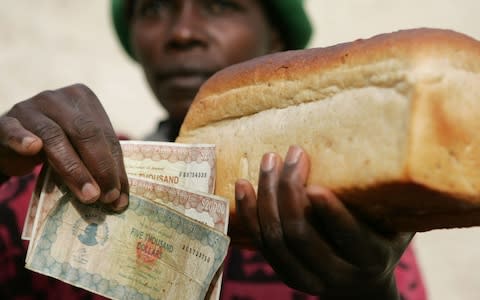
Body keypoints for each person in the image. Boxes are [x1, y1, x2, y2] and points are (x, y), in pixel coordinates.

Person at [0, 0, 426, 299]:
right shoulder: (59, 180)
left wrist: (371, 292)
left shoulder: (352, 210)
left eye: (221, 4)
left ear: (277, 39)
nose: (182, 33)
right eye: (153, 8)